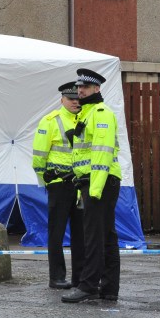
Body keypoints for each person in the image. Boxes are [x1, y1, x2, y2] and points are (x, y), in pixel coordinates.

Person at [61, 68, 122, 304]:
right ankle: (108, 289)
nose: (80, 91)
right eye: (78, 88)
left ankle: (88, 286)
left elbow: (101, 155)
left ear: (97, 89)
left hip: (100, 182)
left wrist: (94, 189)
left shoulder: (101, 113)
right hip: (94, 182)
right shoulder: (86, 115)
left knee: (94, 236)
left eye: (84, 87)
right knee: (106, 235)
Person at [32, 81, 83, 290]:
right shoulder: (50, 121)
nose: (75, 102)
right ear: (62, 99)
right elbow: (38, 158)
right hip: (59, 184)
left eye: (78, 99)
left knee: (81, 235)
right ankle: (57, 277)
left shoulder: (86, 119)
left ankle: (80, 277)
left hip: (81, 184)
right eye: (71, 99)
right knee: (57, 233)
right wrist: (47, 182)